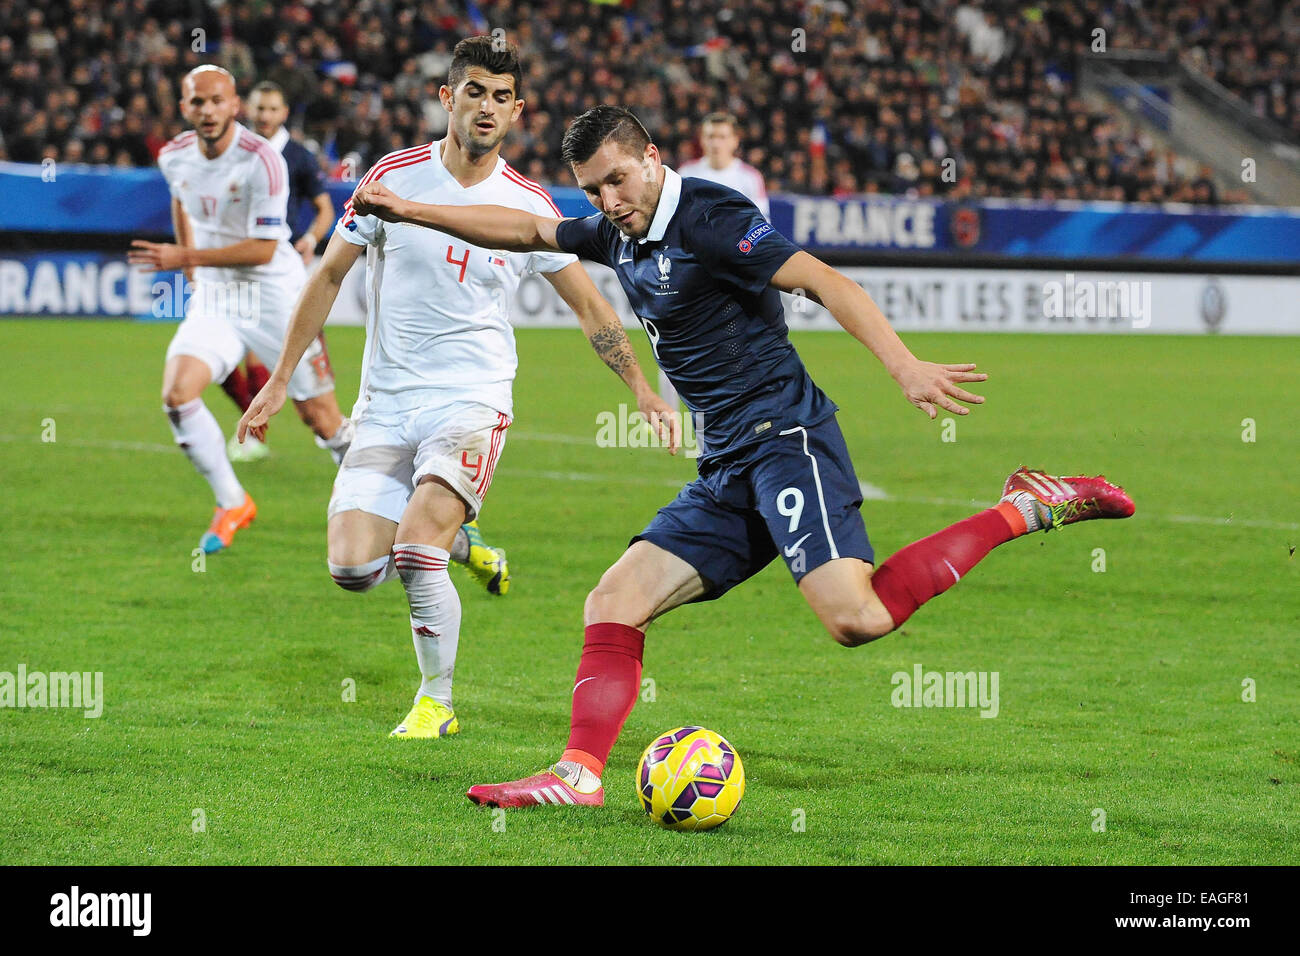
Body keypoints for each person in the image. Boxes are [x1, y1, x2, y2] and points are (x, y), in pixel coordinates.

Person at [347, 105, 1135, 807]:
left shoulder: (714, 219)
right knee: (611, 600)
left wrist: (905, 366)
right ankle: (579, 775)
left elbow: (824, 281)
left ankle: (1025, 506)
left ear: (652, 156)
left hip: (787, 442)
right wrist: (409, 209)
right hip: (726, 466)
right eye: (594, 190)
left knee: (856, 619)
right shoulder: (618, 230)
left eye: (618, 181)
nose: (608, 202)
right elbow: (525, 229)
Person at [237, 42, 676, 740]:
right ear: (448, 99)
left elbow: (592, 307)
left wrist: (642, 390)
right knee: (351, 570)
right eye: (475, 92)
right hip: (384, 404)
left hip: (472, 402)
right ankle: (467, 546)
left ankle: (435, 702)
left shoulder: (528, 203)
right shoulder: (390, 178)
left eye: (502, 97)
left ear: (517, 111)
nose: (488, 108)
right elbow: (327, 277)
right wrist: (279, 380)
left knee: (414, 552)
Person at [130, 65, 352, 554]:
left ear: (235, 106)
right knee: (177, 393)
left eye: (216, 101)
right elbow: (181, 203)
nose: (207, 111)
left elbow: (260, 249)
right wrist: (192, 267)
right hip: (217, 296)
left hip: (274, 296)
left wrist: (183, 257)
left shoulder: (263, 161)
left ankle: (383, 503)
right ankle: (232, 501)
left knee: (322, 418)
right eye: (197, 103)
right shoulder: (174, 157)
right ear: (185, 108)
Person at [222, 80, 341, 464]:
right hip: (234, 266)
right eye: (260, 108)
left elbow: (325, 209)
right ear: (247, 110)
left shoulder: (299, 156)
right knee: (221, 361)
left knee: (260, 357)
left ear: (284, 113)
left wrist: (309, 239)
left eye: (273, 109)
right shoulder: (234, 151)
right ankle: (261, 428)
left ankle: (274, 431)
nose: (265, 116)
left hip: (276, 269)